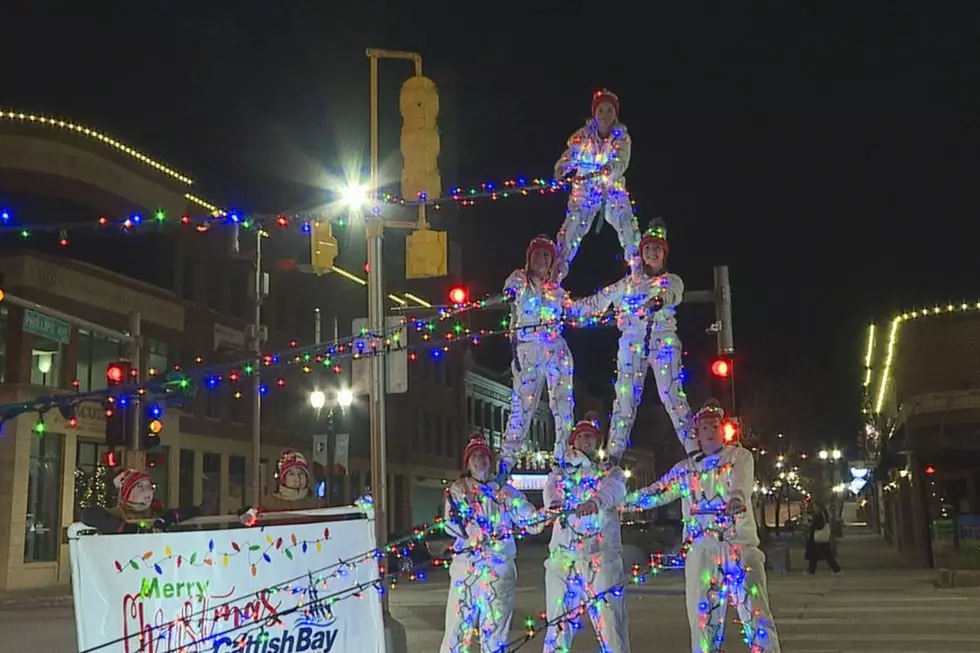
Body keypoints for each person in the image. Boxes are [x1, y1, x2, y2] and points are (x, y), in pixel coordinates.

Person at [625, 399, 782, 653]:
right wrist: (618, 503)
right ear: (697, 433)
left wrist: (736, 499)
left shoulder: (739, 457)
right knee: (703, 620)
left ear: (723, 429)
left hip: (738, 546)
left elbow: (741, 485)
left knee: (755, 613)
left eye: (714, 425)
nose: (709, 430)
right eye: (704, 427)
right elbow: (655, 493)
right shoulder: (686, 469)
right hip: (702, 551)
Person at [570, 218, 697, 460]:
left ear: (663, 254)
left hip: (662, 341)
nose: (652, 253)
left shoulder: (671, 279)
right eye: (648, 248)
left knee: (671, 394)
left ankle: (694, 449)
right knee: (625, 399)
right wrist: (570, 310)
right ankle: (614, 454)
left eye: (657, 249)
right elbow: (598, 301)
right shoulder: (628, 284)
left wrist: (657, 302)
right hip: (631, 343)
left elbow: (672, 294)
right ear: (642, 253)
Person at [440, 434, 546, 653]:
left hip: (499, 569)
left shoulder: (505, 492)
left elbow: (532, 522)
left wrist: (551, 511)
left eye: (483, 455)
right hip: (467, 569)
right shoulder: (459, 490)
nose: (479, 460)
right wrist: (464, 518)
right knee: (457, 630)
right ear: (468, 464)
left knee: (494, 633)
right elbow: (452, 525)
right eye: (474, 457)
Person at [542, 413, 630, 653]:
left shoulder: (609, 473)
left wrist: (596, 501)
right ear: (573, 442)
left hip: (600, 559)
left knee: (611, 628)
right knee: (558, 628)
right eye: (580, 436)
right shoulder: (560, 474)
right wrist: (555, 504)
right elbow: (552, 492)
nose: (585, 440)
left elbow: (615, 489)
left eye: (590, 437)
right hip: (564, 561)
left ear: (598, 442)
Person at [498, 234, 577, 475]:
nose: (541, 259)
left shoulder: (557, 291)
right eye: (537, 254)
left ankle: (563, 458)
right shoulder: (520, 279)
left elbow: (575, 310)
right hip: (528, 350)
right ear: (529, 258)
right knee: (522, 408)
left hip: (555, 349)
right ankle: (505, 463)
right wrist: (511, 293)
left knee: (562, 404)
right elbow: (509, 290)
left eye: (546, 255)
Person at [554, 89, 638, 269]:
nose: (605, 115)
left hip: (611, 186)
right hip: (585, 187)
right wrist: (562, 168)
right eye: (601, 110)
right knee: (573, 226)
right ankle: (555, 272)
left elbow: (621, 160)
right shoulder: (583, 136)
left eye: (609, 110)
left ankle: (638, 270)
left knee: (625, 219)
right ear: (594, 113)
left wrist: (610, 168)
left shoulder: (621, 137)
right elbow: (572, 154)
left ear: (615, 113)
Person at [82, 468, 200, 534]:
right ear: (126, 493)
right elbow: (87, 515)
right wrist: (125, 528)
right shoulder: (115, 514)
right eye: (140, 487)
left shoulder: (157, 514)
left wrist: (171, 517)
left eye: (150, 487)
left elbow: (195, 510)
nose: (147, 492)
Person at [241, 450, 325, 524]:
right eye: (291, 474)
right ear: (284, 479)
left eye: (301, 473)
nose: (297, 478)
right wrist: (249, 514)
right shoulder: (270, 502)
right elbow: (257, 520)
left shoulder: (317, 504)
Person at [805, 504, 841, 575]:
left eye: (816, 506)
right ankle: (811, 570)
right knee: (818, 555)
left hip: (818, 539)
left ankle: (836, 569)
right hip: (819, 539)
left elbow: (819, 525)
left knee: (825, 555)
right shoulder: (823, 515)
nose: (814, 508)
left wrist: (811, 526)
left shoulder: (820, 516)